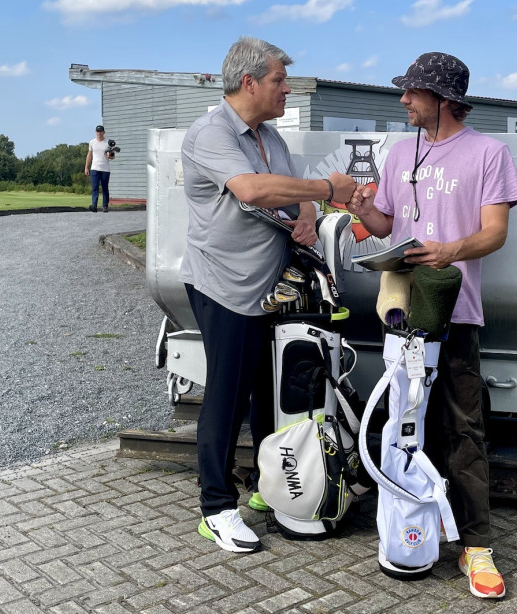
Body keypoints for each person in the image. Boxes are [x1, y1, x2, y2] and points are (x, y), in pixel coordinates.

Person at [346, 52, 517, 599]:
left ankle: (476, 548)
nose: (403, 101)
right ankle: (405, 531)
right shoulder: (400, 152)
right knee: (400, 426)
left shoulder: (490, 153)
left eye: (413, 93)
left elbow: (494, 233)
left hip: (459, 316)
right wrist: (363, 208)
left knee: (463, 430)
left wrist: (451, 249)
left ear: (444, 100)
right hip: (402, 317)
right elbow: (386, 224)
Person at [180, 36, 357, 554]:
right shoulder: (210, 133)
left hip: (270, 290)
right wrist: (328, 192)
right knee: (228, 394)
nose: (286, 90)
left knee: (266, 393)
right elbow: (254, 190)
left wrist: (306, 217)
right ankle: (216, 507)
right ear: (250, 81)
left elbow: (288, 186)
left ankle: (265, 487)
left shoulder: (269, 135)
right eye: (280, 80)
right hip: (223, 286)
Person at [85, 125, 112, 212]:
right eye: (97, 131)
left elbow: (112, 156)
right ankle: (94, 206)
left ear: (104, 132)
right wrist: (86, 167)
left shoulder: (108, 142)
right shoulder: (92, 142)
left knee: (105, 188)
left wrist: (109, 155)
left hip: (105, 169)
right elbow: (89, 155)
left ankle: (105, 206)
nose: (99, 133)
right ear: (95, 132)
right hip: (94, 168)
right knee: (94, 188)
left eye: (100, 131)